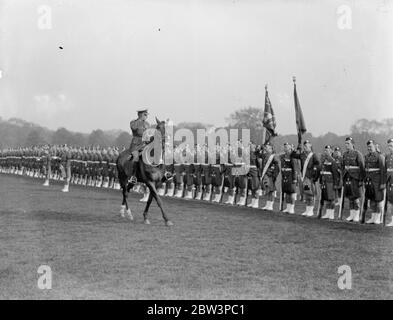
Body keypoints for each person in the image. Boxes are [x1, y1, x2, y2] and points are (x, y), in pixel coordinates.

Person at [291, 140, 321, 216]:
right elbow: (293, 155)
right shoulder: (302, 155)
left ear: (310, 146)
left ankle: (311, 211)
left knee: (310, 194)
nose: (305, 147)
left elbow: (318, 165)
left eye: (306, 146)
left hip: (310, 177)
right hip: (303, 177)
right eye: (304, 146)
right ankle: (307, 210)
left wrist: (315, 176)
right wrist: (297, 149)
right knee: (306, 194)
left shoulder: (313, 155)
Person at [342, 137, 365, 222]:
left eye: (348, 143)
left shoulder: (357, 154)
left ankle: (356, 214)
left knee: (355, 197)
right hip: (347, 177)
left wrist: (361, 179)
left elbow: (362, 167)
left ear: (353, 144)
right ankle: (351, 215)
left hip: (355, 178)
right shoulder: (344, 154)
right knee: (350, 196)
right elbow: (343, 166)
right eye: (345, 143)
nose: (346, 145)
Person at [364, 140, 386, 224]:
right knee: (372, 200)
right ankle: (373, 217)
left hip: (377, 181)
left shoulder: (380, 157)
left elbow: (383, 171)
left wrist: (383, 183)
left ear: (375, 146)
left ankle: (378, 217)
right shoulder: (366, 157)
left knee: (378, 200)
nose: (369, 148)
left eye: (371, 147)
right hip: (369, 181)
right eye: (368, 147)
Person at [129, 109, 150, 184]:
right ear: (140, 115)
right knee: (136, 157)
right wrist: (140, 120)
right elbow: (134, 128)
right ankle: (133, 176)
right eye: (145, 115)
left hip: (145, 145)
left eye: (147, 115)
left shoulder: (147, 124)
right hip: (136, 145)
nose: (147, 116)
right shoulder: (133, 122)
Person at [320, 145, 340, 219]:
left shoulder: (333, 161)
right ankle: (327, 213)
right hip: (324, 181)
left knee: (331, 198)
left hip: (330, 182)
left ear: (331, 151)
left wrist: (335, 184)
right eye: (325, 151)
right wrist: (320, 181)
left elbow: (335, 174)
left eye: (327, 151)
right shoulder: (324, 161)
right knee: (326, 198)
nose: (326, 152)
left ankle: (331, 213)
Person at [280, 142, 297, 214]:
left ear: (290, 148)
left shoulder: (292, 156)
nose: (285, 148)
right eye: (284, 147)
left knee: (292, 193)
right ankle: (288, 207)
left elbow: (295, 168)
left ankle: (292, 208)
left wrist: (294, 179)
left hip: (290, 176)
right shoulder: (283, 156)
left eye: (286, 147)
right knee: (286, 192)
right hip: (285, 175)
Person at [385, 138, 393, 227]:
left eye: (391, 146)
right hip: (389, 180)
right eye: (389, 146)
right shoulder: (387, 156)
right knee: (391, 200)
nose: (390, 148)